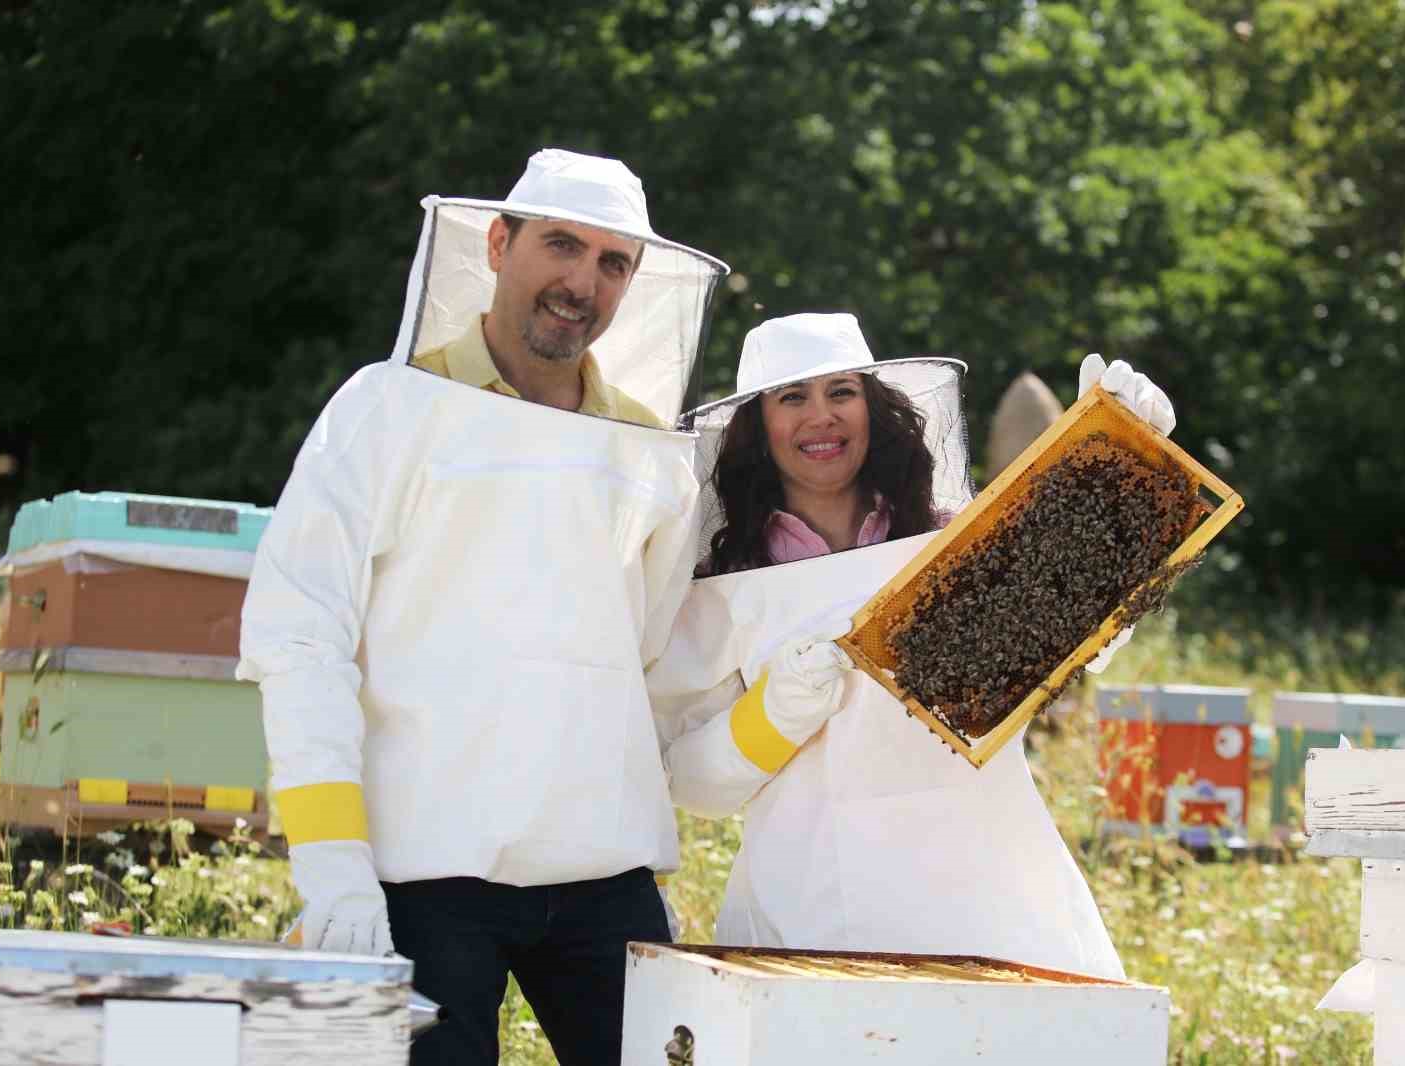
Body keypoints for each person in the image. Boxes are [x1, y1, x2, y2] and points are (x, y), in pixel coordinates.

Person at [238, 148, 729, 1066]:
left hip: (603, 870)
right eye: (561, 245)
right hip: (421, 872)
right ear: (498, 244)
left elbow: (653, 650)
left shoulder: (651, 448)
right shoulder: (386, 408)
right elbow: (299, 634)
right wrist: (331, 861)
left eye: (613, 263)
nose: (582, 282)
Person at [648, 313, 1174, 977]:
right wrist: (774, 713)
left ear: (872, 409)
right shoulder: (724, 588)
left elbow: (1074, 634)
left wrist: (1126, 467)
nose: (821, 418)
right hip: (811, 911)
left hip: (991, 895)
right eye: (793, 398)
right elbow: (694, 785)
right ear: (758, 425)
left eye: (841, 392)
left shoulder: (952, 542)